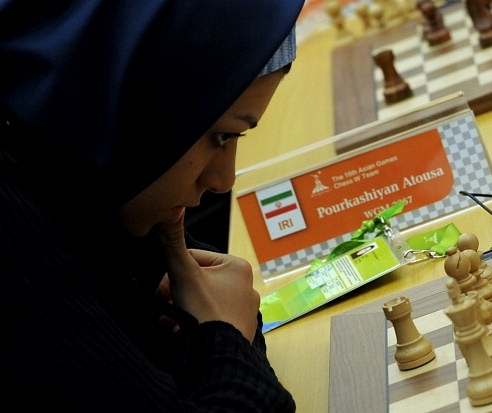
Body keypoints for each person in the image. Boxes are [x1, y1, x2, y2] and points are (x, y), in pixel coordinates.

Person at [0, 0, 305, 411]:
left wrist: (220, 337)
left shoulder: (94, 168)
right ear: (142, 100)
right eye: (221, 137)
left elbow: (212, 307)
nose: (222, 181)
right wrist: (224, 335)